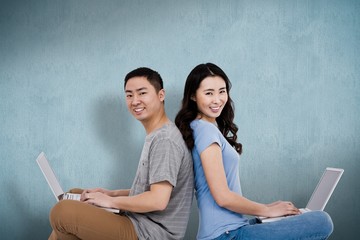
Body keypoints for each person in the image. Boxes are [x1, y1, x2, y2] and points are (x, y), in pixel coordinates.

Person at [175, 63, 333, 240]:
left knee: (302, 217)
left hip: (232, 229)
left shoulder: (200, 128)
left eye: (222, 91)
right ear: (193, 96)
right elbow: (222, 197)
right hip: (226, 235)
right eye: (209, 93)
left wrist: (270, 208)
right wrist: (267, 210)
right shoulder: (206, 130)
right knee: (321, 221)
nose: (217, 99)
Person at [49, 67, 194, 240]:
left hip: (150, 233)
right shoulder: (157, 135)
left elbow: (158, 200)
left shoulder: (165, 140)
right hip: (139, 222)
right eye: (129, 95)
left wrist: (109, 202)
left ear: (161, 95)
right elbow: (148, 189)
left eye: (142, 93)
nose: (135, 101)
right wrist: (111, 194)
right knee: (75, 195)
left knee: (63, 211)